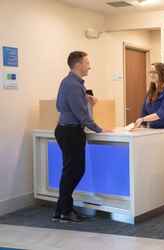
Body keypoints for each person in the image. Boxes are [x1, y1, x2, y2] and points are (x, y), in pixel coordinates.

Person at [53, 51, 109, 223]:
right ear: (78, 65)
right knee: (75, 171)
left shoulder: (68, 83)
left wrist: (85, 100)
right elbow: (82, 116)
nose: (89, 66)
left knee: (70, 171)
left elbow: (59, 106)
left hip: (65, 130)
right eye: (87, 63)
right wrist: (101, 130)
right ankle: (66, 211)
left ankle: (61, 210)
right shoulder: (74, 85)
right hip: (71, 132)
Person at [134, 63, 164, 133]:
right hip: (156, 131)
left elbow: (161, 114)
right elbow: (144, 113)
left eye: (154, 72)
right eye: (150, 72)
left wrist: (143, 119)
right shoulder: (150, 93)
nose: (151, 75)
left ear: (162, 74)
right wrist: (139, 126)